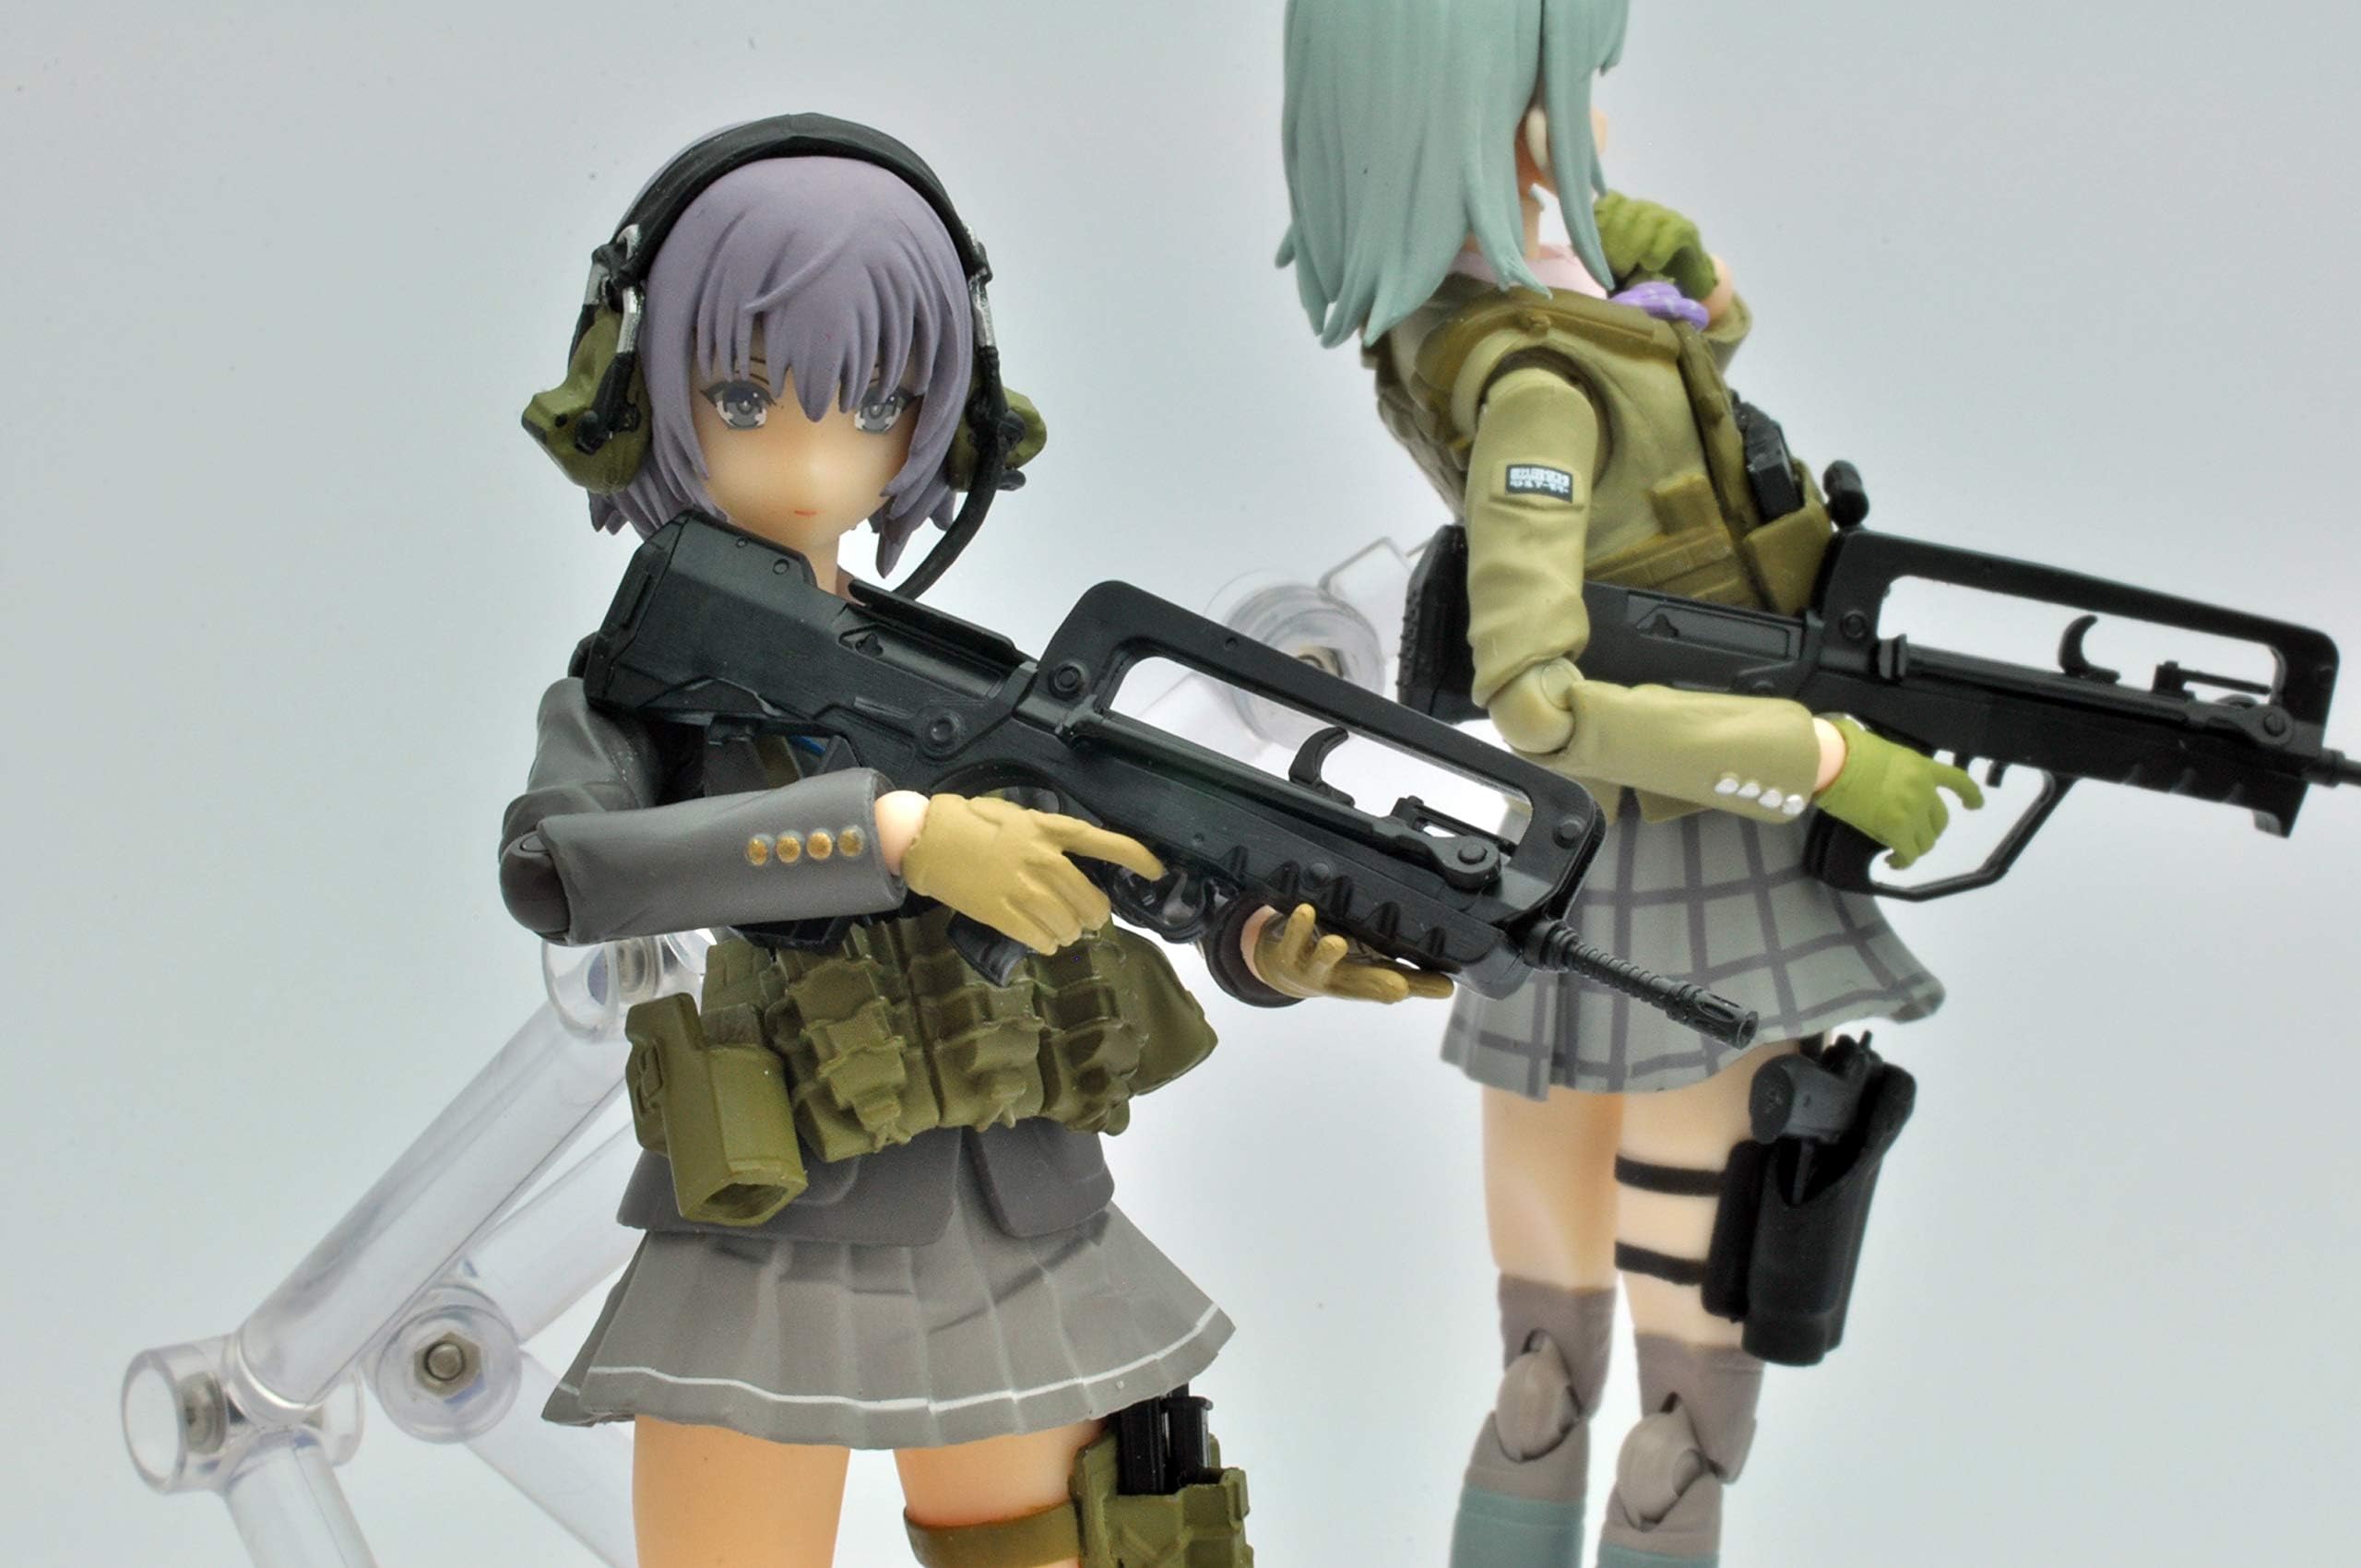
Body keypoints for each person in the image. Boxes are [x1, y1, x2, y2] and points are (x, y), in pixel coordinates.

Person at [505, 115, 1442, 1568]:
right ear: (642, 396)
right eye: (743, 393)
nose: (812, 452)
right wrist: (886, 835)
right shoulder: (646, 676)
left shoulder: (959, 681)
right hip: (779, 1192)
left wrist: (1268, 940)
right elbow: (560, 868)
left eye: (871, 401)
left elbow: (1138, 862)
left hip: (1008, 1195)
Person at [1276, 6, 1981, 1566]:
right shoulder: (1535, 373)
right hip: (1676, 851)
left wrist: (1673, 285)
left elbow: (1676, 457)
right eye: (1559, 90)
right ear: (1468, 114)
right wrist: (1820, 759)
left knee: (1555, 1347)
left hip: (1577, 871)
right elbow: (1537, 695)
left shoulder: (1505, 321)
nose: (1592, 121)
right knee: (1674, 1374)